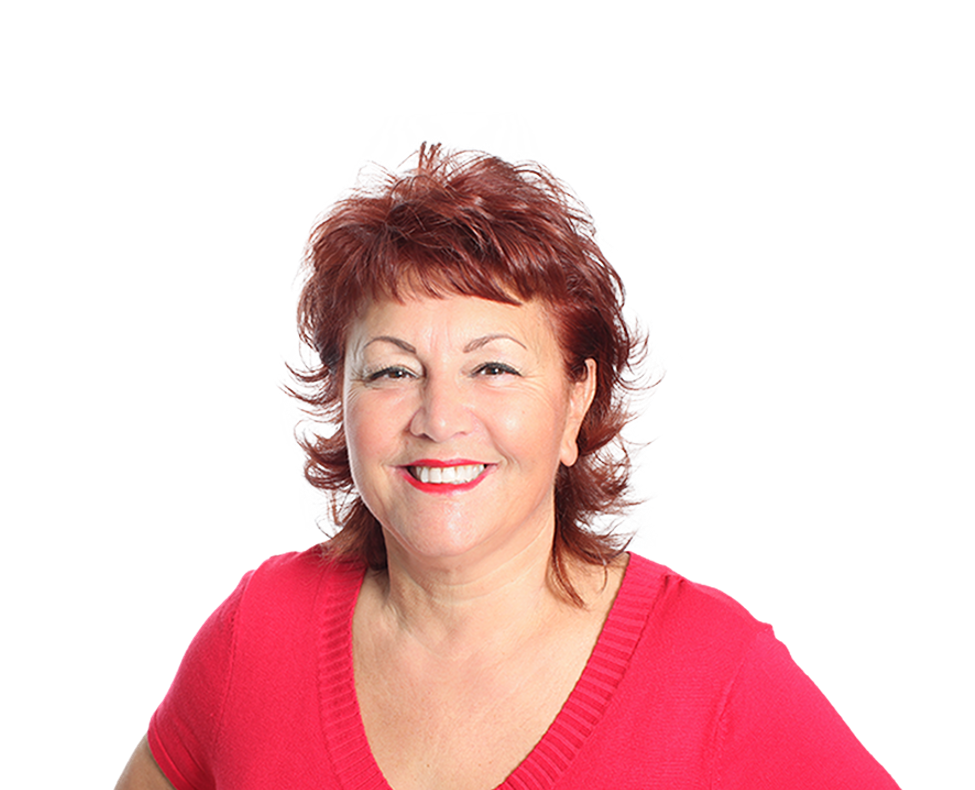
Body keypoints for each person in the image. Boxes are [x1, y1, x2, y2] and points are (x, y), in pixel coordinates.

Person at [115, 142, 900, 789]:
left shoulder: (716, 670)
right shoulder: (255, 634)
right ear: (340, 399)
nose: (439, 418)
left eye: (493, 367)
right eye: (391, 370)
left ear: (575, 401)